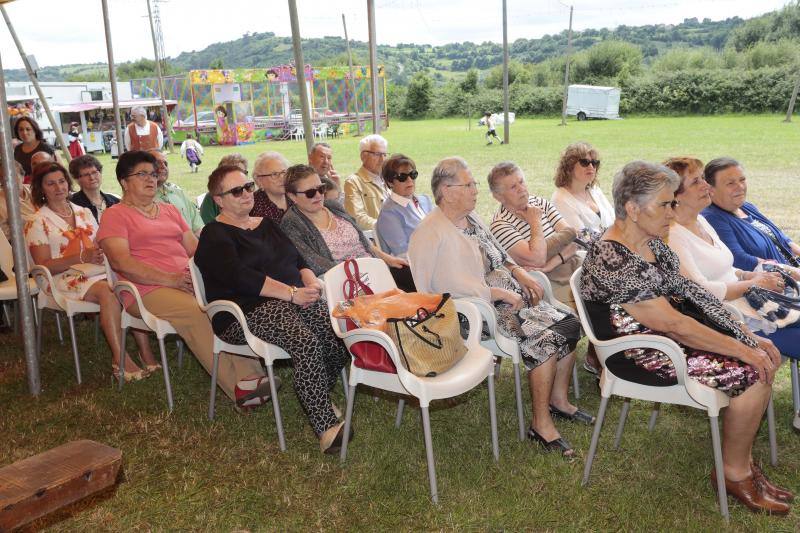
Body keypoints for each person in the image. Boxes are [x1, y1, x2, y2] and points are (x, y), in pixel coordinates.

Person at [580, 160, 789, 515]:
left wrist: (745, 334)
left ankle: (742, 463)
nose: (672, 212)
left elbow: (692, 293)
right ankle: (734, 474)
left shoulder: (651, 243)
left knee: (761, 356)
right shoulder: (612, 258)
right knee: (754, 373)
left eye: (673, 202)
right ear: (633, 209)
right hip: (639, 352)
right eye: (665, 204)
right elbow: (674, 324)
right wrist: (744, 350)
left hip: (667, 338)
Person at [408, 157, 588, 457]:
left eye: (474, 184)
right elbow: (431, 291)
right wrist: (495, 293)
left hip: (508, 295)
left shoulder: (472, 218)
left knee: (569, 321)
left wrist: (519, 273)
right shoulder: (430, 232)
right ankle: (541, 425)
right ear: (447, 191)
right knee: (543, 338)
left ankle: (558, 401)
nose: (476, 190)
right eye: (469, 185)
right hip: (473, 313)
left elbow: (500, 254)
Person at [98, 151, 273, 410]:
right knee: (196, 312)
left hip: (186, 281)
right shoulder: (115, 215)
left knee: (227, 305)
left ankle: (255, 378)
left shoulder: (169, 211)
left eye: (153, 174)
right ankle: (239, 387)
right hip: (145, 290)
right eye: (142, 174)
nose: (151, 179)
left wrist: (222, 271)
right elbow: (121, 262)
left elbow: (196, 250)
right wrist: (171, 280)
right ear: (124, 181)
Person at [195, 165, 351, 453]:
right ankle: (325, 426)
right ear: (218, 200)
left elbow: (297, 259)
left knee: (337, 332)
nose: (246, 194)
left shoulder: (267, 224)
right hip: (245, 311)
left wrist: (309, 281)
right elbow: (241, 277)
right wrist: (291, 294)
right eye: (236, 191)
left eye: (248, 187)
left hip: (293, 299)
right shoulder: (214, 235)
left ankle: (314, 392)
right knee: (305, 342)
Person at [25, 161, 158, 381]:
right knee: (108, 291)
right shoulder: (36, 221)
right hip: (60, 278)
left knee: (129, 285)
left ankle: (145, 352)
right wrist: (81, 257)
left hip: (96, 270)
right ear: (41, 188)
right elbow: (43, 265)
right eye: (51, 184)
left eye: (61, 181)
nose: (58, 187)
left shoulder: (83, 211)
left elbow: (101, 242)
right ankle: (120, 358)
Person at [665, 156, 800, 361]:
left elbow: (727, 268)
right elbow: (701, 291)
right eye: (696, 182)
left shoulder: (699, 221)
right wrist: (753, 283)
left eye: (703, 179)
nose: (706, 186)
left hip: (756, 303)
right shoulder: (673, 235)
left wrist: (748, 275)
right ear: (676, 195)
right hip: (737, 319)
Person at [280, 164, 414, 291]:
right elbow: (313, 262)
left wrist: (389, 259)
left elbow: (363, 241)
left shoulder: (333, 206)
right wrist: (357, 273)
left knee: (413, 274)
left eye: (321, 188)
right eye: (310, 193)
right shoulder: (292, 223)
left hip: (373, 268)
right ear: (292, 196)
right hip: (343, 282)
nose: (318, 195)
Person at [488, 161, 580, 308]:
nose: (521, 189)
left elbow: (575, 241)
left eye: (521, 182)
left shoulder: (540, 203)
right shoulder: (500, 225)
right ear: (499, 196)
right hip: (549, 283)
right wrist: (535, 222)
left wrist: (549, 264)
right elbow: (537, 259)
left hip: (575, 266)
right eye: (513, 187)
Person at [702, 157, 800, 280]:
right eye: (730, 183)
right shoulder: (712, 218)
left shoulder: (746, 207)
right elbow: (739, 259)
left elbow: (783, 240)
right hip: (776, 281)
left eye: (742, 180)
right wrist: (793, 273)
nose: (740, 186)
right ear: (711, 189)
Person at [550, 142, 614, 240]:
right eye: (585, 162)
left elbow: (614, 219)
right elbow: (584, 239)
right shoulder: (560, 200)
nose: (591, 167)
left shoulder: (595, 190)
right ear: (569, 167)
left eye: (594, 163)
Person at [374, 153, 432, 258]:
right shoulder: (388, 214)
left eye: (413, 174)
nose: (409, 180)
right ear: (390, 182)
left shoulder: (425, 200)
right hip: (414, 263)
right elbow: (402, 253)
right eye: (402, 177)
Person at [148, 149, 203, 236]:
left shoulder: (177, 192)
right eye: (157, 163)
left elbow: (198, 227)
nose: (163, 166)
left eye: (165, 164)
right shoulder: (143, 199)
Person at [343, 134, 390, 230]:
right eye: (377, 154)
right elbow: (357, 217)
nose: (382, 159)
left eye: (384, 154)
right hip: (376, 235)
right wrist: (386, 227)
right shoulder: (353, 182)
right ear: (363, 156)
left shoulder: (390, 178)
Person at [68, 154, 119, 222]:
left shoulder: (115, 201)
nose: (92, 178)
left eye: (94, 172)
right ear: (77, 179)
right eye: (86, 175)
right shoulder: (72, 204)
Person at [199, 153, 248, 224]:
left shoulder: (250, 193)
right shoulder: (212, 198)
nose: (239, 177)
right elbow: (206, 225)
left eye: (243, 173)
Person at [0, 160, 35, 242]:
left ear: (22, 176)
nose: (8, 180)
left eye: (12, 175)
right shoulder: (1, 202)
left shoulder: (34, 190)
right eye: (2, 177)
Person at [250, 151, 289, 222]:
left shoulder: (296, 195)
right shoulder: (257, 210)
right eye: (274, 174)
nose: (282, 178)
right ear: (259, 180)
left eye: (283, 172)